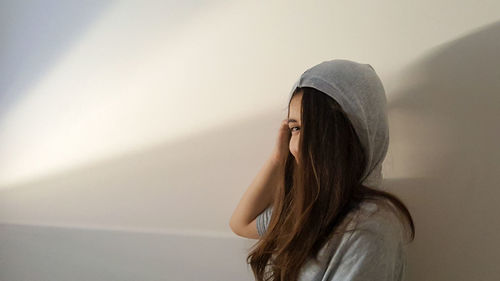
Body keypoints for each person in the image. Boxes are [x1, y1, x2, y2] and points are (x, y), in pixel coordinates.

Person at [229, 59, 415, 281]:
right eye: (295, 128)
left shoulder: (370, 229)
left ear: (355, 136)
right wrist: (279, 159)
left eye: (318, 130)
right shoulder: (313, 206)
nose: (297, 146)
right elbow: (241, 223)